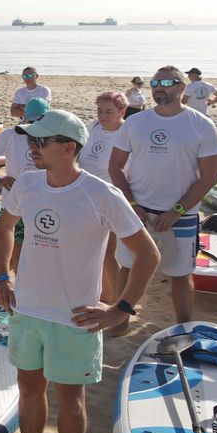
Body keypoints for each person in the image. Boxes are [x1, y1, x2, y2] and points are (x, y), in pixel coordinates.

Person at [0, 108, 158, 433]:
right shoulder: (29, 184)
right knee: (29, 387)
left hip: (76, 317)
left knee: (71, 400)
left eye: (40, 142)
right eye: (30, 140)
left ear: (68, 148)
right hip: (28, 309)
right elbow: (4, 226)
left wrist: (120, 309)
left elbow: (147, 254)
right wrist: (2, 275)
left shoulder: (101, 194)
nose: (31, 148)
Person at [108, 65, 217, 332]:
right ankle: (119, 322)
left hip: (181, 214)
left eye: (168, 82)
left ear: (182, 87)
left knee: (180, 275)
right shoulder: (136, 122)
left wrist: (177, 211)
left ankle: (185, 327)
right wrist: (132, 205)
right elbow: (115, 167)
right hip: (138, 211)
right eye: (155, 82)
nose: (159, 86)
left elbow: (209, 176)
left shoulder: (201, 124)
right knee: (127, 266)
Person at [82, 91, 129, 301]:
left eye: (109, 111)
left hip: (109, 198)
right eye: (100, 110)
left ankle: (112, 298)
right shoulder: (92, 127)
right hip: (83, 195)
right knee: (87, 250)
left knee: (109, 253)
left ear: (122, 111)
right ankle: (94, 291)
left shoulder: (128, 133)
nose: (103, 115)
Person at [0, 97, 50, 200]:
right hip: (13, 199)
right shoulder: (11, 135)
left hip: (42, 199)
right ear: (24, 117)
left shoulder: (52, 137)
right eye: (30, 120)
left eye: (37, 120)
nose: (33, 124)